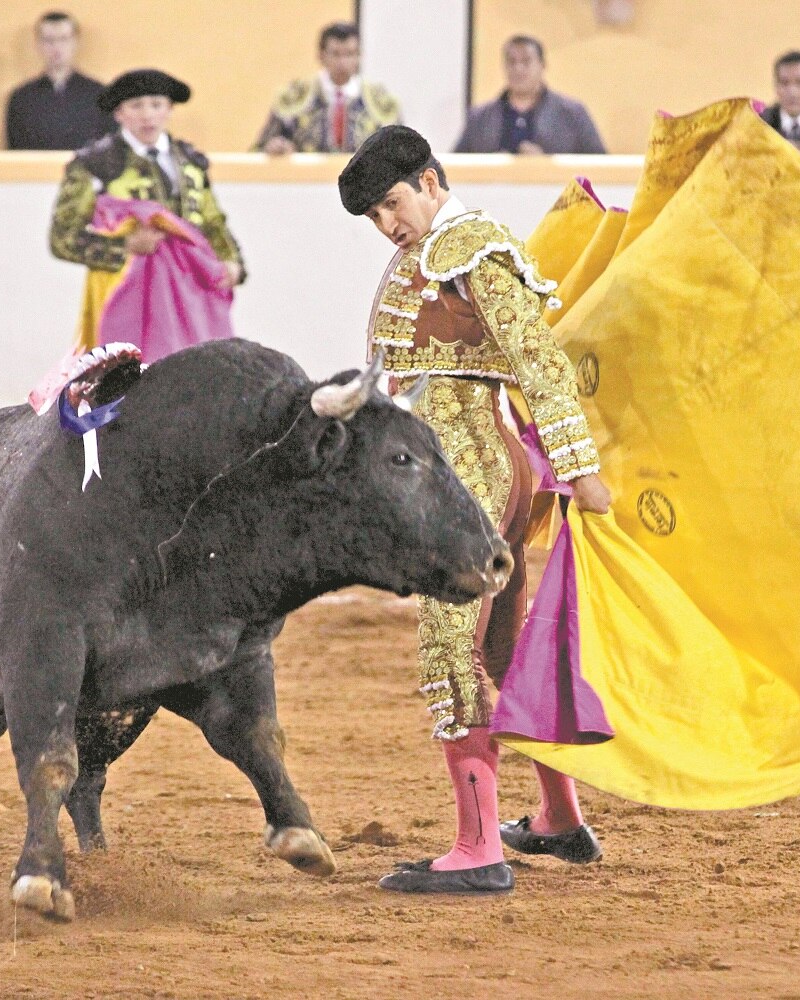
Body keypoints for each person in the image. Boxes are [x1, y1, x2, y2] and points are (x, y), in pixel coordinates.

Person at [337, 126, 612, 894]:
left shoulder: (471, 247)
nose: (388, 223)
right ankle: (558, 820)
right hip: (478, 475)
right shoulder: (425, 252)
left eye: (393, 203)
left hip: (470, 486)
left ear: (429, 179)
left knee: (450, 650)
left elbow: (540, 359)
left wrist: (581, 469)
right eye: (375, 216)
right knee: (499, 650)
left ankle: (478, 846)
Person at [50, 69, 245, 353]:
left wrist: (231, 261)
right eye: (136, 105)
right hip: (124, 292)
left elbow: (212, 221)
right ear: (119, 113)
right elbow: (62, 238)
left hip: (190, 290)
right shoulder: (95, 164)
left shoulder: (191, 162)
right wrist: (124, 245)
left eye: (156, 104)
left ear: (169, 109)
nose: (147, 115)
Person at [253, 22, 401, 155]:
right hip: (307, 183)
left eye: (349, 54)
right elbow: (263, 147)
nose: (343, 62)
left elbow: (401, 152)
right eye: (335, 54)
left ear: (359, 56)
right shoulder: (294, 97)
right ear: (321, 56)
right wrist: (275, 147)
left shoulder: (380, 102)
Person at [454, 35, 605, 154]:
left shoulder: (572, 114)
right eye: (512, 62)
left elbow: (600, 168)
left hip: (556, 192)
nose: (518, 69)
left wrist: (544, 165)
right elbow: (457, 168)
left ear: (542, 65)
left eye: (526, 62)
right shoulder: (481, 117)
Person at [5, 11, 110, 151]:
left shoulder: (99, 93)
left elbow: (108, 144)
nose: (56, 47)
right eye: (49, 40)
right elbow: (16, 149)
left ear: (76, 42)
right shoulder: (21, 97)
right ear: (38, 44)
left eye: (64, 39)